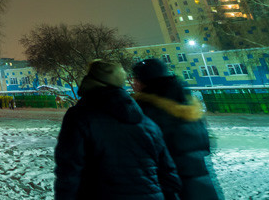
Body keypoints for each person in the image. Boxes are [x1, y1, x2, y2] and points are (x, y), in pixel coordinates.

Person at [54, 60, 181, 199]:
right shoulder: (146, 122)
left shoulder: (79, 117)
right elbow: (168, 174)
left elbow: (69, 171)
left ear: (89, 81)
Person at [133, 58, 222, 200]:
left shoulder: (146, 110)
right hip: (202, 186)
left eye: (135, 79)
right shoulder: (189, 105)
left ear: (144, 81)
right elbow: (207, 145)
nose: (133, 84)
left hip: (172, 188)